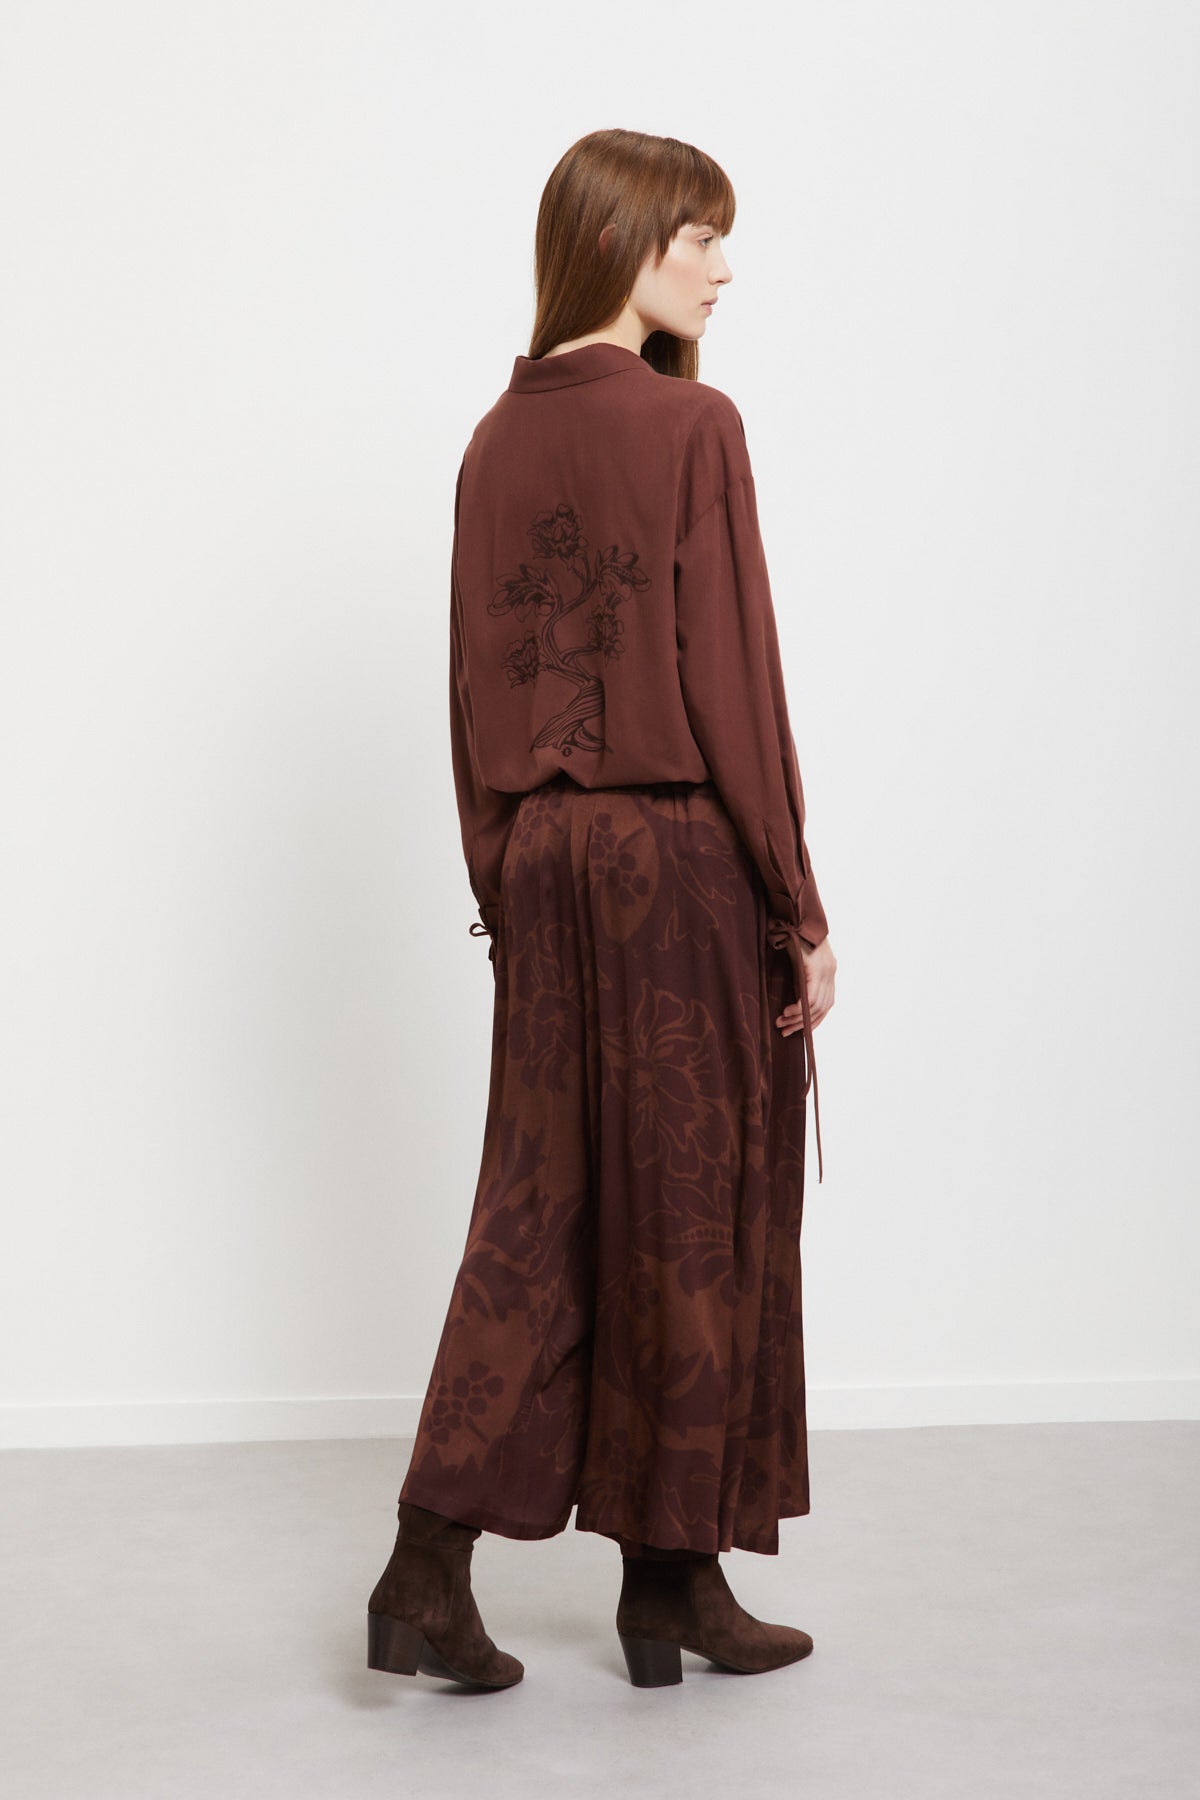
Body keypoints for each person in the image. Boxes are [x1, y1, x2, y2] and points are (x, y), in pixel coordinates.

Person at [366, 127, 838, 1691]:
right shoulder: (693, 424)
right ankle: (663, 1577)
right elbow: (733, 682)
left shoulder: (493, 439)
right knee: (686, 1222)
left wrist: (503, 874)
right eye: (701, 237)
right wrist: (797, 899)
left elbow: (469, 691)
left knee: (543, 1206)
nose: (722, 267)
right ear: (629, 241)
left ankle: (496, 1573)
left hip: (545, 866)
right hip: (678, 862)